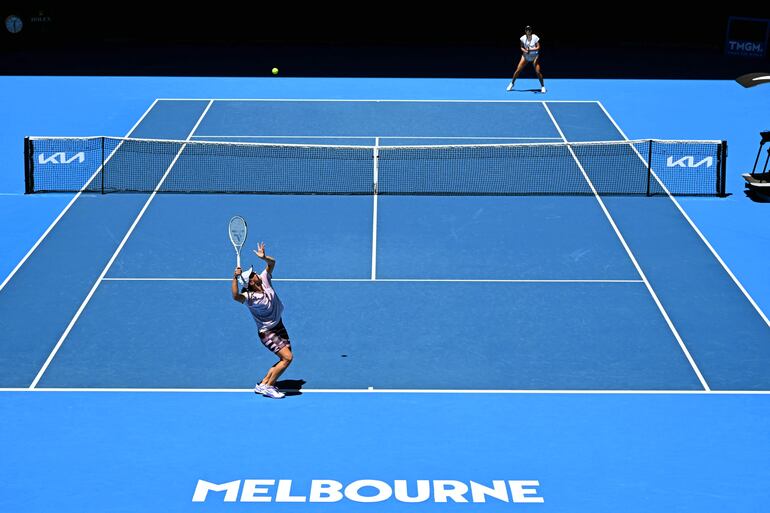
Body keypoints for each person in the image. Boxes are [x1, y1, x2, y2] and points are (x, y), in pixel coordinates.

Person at [232, 242, 293, 399]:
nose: (256, 274)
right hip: (267, 332)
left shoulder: (264, 279)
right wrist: (235, 277)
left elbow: (272, 263)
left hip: (279, 325)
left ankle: (263, 384)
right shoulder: (250, 298)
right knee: (287, 358)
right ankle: (268, 386)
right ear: (251, 282)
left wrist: (264, 257)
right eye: (253, 274)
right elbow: (236, 296)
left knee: (284, 357)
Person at [507, 25, 546, 93]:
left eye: (529, 30)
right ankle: (512, 83)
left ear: (531, 31)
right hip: (525, 56)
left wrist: (531, 50)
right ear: (525, 31)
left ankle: (542, 86)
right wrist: (525, 51)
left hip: (534, 56)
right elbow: (521, 47)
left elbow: (538, 47)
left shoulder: (535, 37)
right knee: (518, 70)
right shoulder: (522, 38)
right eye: (527, 30)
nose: (528, 31)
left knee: (538, 72)